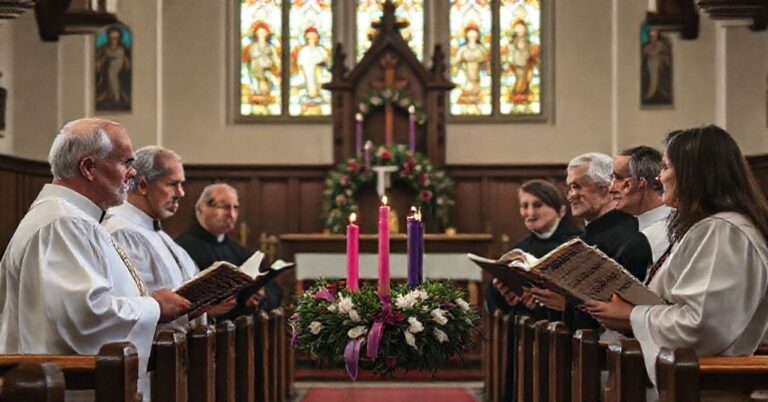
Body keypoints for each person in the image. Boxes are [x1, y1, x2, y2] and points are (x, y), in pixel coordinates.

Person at [0, 118, 190, 401]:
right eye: (126, 162)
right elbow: (86, 317)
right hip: (67, 388)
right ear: (89, 168)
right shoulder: (62, 224)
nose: (132, 173)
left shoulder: (78, 220)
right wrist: (155, 307)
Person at [585, 126, 768, 400]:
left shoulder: (722, 231)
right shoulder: (711, 227)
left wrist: (631, 315)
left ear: (694, 173)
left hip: (708, 385)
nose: (660, 176)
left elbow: (702, 326)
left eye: (667, 167)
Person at [103, 146, 236, 332]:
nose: (181, 193)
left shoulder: (158, 233)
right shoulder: (122, 232)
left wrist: (208, 306)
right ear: (143, 186)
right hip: (156, 352)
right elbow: (137, 306)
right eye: (173, 184)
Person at [524, 153, 652, 331]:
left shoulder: (629, 238)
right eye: (569, 188)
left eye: (577, 187)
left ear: (606, 188)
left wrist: (566, 305)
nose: (570, 196)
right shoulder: (579, 240)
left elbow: (623, 312)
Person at [175, 183, 283, 320]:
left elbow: (275, 290)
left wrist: (260, 294)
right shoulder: (181, 248)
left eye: (235, 207)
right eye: (225, 207)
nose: (232, 214)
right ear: (202, 208)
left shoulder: (237, 250)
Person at [485, 179, 582, 315]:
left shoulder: (579, 244)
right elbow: (496, 302)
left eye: (537, 205)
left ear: (561, 210)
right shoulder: (520, 249)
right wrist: (504, 295)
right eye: (524, 206)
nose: (530, 213)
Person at [609, 146, 673, 262]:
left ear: (641, 183)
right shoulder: (634, 230)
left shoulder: (669, 231)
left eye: (618, 178)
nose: (611, 188)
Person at [242, 20, 280, 100]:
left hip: (267, 67)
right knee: (256, 82)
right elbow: (251, 56)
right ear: (256, 34)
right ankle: (256, 92)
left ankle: (268, 91)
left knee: (270, 78)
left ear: (267, 34)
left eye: (263, 32)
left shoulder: (270, 46)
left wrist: (277, 65)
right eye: (259, 33)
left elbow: (275, 57)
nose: (261, 34)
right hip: (256, 68)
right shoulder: (253, 46)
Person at [506, 19, 539, 103]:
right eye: (517, 28)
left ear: (525, 30)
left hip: (526, 65)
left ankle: (524, 94)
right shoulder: (512, 44)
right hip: (516, 65)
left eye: (521, 28)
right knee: (518, 80)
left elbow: (532, 54)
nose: (519, 30)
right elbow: (510, 55)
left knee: (525, 80)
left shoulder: (528, 43)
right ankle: (517, 94)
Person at [455, 24, 488, 105]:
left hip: (478, 74)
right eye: (470, 36)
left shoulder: (481, 49)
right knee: (468, 88)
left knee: (476, 88)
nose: (472, 38)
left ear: (477, 36)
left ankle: (476, 98)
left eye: (474, 36)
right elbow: (457, 61)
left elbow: (486, 60)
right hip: (466, 73)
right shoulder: (462, 49)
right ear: (466, 36)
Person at [295, 27, 330, 102]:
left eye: (314, 38)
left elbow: (327, 63)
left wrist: (319, 65)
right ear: (306, 39)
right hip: (306, 73)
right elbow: (299, 64)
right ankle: (309, 94)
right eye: (309, 38)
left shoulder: (321, 50)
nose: (312, 40)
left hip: (319, 73)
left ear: (317, 39)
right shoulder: (303, 51)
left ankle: (319, 94)